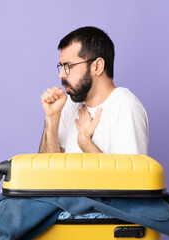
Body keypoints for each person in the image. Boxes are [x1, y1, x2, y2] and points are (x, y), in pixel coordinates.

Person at [39, 26, 148, 154]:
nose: (61, 74)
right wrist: (51, 119)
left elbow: (130, 174)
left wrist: (85, 143)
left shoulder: (126, 107)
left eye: (68, 66)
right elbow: (48, 171)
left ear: (97, 66)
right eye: (61, 66)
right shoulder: (69, 104)